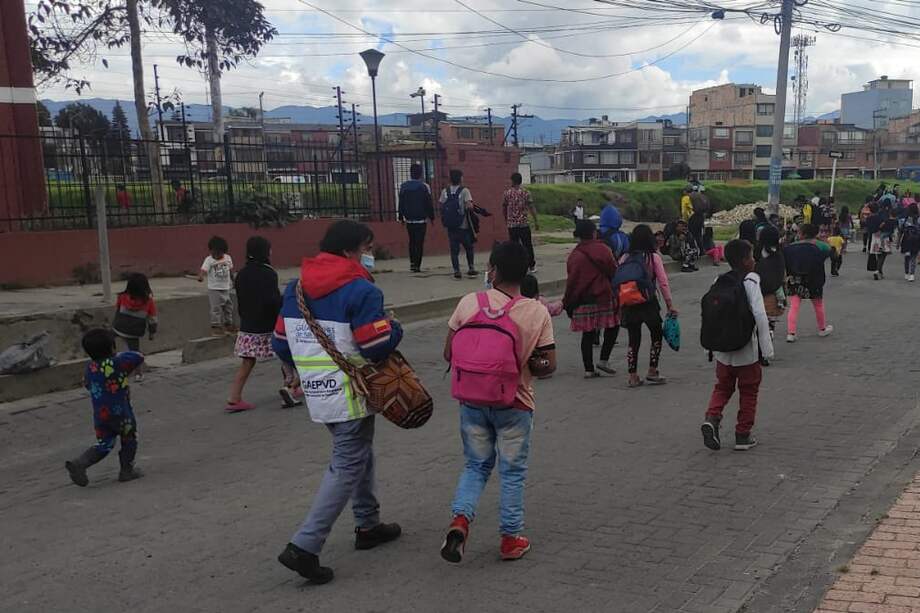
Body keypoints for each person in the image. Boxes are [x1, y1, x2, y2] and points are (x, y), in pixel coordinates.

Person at [274, 220, 404, 585]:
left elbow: (281, 343)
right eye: (367, 247)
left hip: (318, 391)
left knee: (359, 452)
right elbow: (375, 345)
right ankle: (305, 545)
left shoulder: (296, 287)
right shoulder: (361, 291)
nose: (370, 254)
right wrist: (395, 328)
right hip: (352, 389)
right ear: (350, 251)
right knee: (347, 463)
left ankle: (368, 524)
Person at [441, 241, 556, 564]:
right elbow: (549, 366)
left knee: (475, 465)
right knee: (512, 472)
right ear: (526, 272)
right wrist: (527, 362)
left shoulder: (469, 302)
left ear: (493, 269)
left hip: (472, 402)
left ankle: (460, 521)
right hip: (515, 403)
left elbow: (449, 352)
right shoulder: (536, 311)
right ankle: (510, 539)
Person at [700, 240, 774, 452]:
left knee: (722, 387)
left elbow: (711, 316)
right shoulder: (751, 280)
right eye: (751, 256)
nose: (754, 260)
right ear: (744, 260)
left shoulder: (719, 280)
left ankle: (712, 418)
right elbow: (760, 315)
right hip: (746, 349)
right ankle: (743, 435)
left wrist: (710, 348)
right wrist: (766, 349)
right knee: (749, 390)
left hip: (723, 351)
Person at [226, 236, 298, 413]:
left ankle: (234, 398)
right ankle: (291, 386)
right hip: (269, 324)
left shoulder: (241, 274)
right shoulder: (268, 273)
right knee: (288, 355)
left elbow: (241, 301)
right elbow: (273, 301)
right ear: (265, 251)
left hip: (249, 325)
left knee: (247, 362)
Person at [65, 328, 144, 487]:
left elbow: (87, 385)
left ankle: (81, 463)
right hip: (122, 412)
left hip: (101, 414)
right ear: (112, 348)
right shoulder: (118, 363)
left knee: (104, 443)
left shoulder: (91, 368)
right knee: (129, 439)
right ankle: (126, 470)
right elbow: (138, 356)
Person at [619, 224, 677, 388]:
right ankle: (652, 370)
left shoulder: (625, 258)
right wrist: (669, 304)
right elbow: (663, 283)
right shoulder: (653, 257)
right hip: (648, 302)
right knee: (656, 334)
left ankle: (632, 375)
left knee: (633, 339)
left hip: (629, 303)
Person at [563, 220, 619, 378]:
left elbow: (572, 281)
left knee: (587, 334)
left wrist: (567, 301)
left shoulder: (575, 255)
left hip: (583, 299)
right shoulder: (603, 249)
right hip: (604, 296)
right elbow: (613, 270)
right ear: (594, 233)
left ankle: (589, 369)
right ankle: (604, 359)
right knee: (613, 326)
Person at [784, 224, 833, 342]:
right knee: (818, 304)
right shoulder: (822, 246)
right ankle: (822, 329)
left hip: (796, 279)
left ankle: (791, 333)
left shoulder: (790, 247)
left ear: (802, 234)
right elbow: (832, 254)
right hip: (815, 279)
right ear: (815, 233)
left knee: (794, 305)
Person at [111, 273, 158, 382]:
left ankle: (112, 369)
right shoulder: (148, 302)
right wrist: (152, 333)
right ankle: (138, 374)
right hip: (134, 332)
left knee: (109, 345)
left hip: (118, 327)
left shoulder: (121, 297)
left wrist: (114, 325)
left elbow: (117, 310)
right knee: (134, 352)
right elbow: (153, 319)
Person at [440, 169, 478, 280]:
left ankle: (456, 271)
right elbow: (469, 206)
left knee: (454, 250)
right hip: (463, 225)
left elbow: (442, 206)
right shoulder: (465, 191)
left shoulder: (445, 191)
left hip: (451, 226)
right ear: (460, 178)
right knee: (469, 247)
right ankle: (471, 267)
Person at [755, 225, 786, 361]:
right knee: (769, 324)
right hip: (772, 295)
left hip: (756, 292)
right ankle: (765, 351)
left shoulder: (756, 252)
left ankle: (757, 350)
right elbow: (780, 276)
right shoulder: (778, 254)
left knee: (757, 324)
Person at [397, 163, 435, 273]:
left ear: (410, 173)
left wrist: (401, 216)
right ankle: (417, 265)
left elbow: (401, 203)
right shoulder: (424, 186)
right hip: (421, 219)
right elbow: (428, 203)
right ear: (421, 174)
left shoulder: (404, 186)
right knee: (419, 242)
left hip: (409, 219)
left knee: (412, 241)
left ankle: (412, 263)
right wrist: (431, 217)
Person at [502, 172, 540, 273]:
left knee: (514, 246)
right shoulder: (526, 193)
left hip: (512, 225)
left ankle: (515, 266)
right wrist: (536, 221)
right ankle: (531, 265)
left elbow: (504, 207)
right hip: (524, 224)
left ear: (513, 181)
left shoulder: (507, 193)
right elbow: (531, 207)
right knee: (527, 245)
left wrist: (506, 219)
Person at [198, 235, 235, 335]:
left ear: (223, 251)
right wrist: (201, 276)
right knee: (216, 308)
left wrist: (234, 280)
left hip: (226, 288)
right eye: (213, 253)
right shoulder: (209, 260)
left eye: (218, 253)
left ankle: (228, 324)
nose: (215, 255)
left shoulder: (228, 258)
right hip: (214, 289)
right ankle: (216, 326)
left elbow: (231, 271)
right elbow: (203, 270)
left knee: (228, 306)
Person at [869, 206, 898, 280]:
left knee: (879, 255)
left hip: (875, 238)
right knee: (883, 255)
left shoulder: (871, 218)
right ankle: (877, 271)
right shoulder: (886, 219)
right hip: (885, 239)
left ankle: (880, 272)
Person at [900, 204, 920, 282]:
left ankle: (906, 273)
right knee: (913, 258)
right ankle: (912, 274)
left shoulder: (906, 219)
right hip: (916, 240)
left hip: (906, 240)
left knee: (907, 257)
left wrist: (898, 242)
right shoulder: (918, 219)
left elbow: (901, 230)